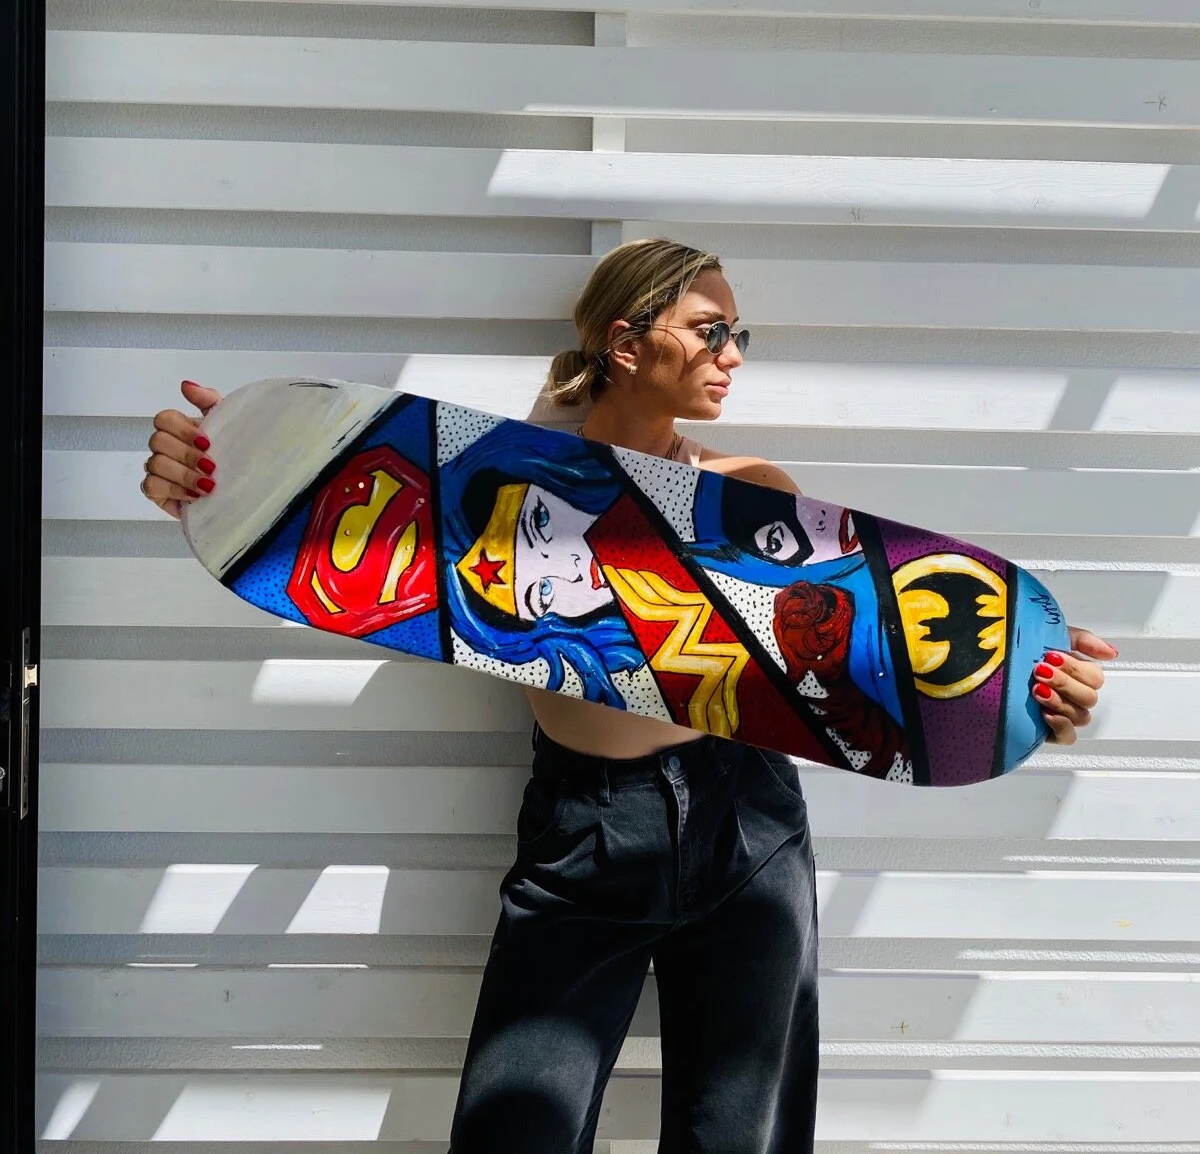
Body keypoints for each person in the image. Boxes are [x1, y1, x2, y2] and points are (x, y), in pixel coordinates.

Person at [140, 236, 1116, 1153]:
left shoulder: (752, 490)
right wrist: (216, 469)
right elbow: (329, 536)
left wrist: (1031, 686)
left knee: (742, 1132)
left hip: (748, 826)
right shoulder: (494, 485)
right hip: (587, 835)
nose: (734, 354)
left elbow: (874, 658)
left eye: (741, 335)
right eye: (711, 329)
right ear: (625, 341)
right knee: (516, 1124)